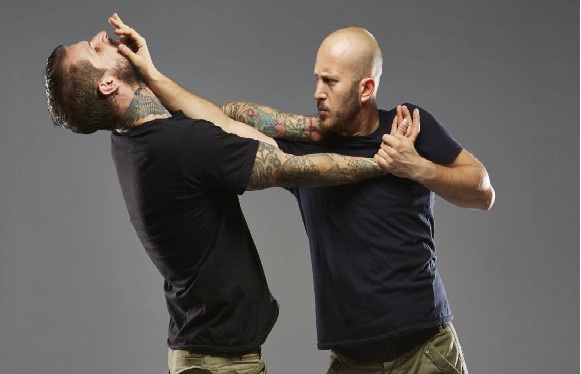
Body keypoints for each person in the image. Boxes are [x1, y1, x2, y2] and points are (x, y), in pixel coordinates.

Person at [116, 16, 495, 373]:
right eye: (317, 79)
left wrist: (416, 167)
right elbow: (218, 119)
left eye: (330, 82)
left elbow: (481, 191)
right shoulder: (303, 152)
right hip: (350, 360)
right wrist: (150, 73)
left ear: (366, 88)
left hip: (424, 351)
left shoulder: (408, 126)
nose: (317, 92)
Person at [44, 15, 416, 374]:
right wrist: (383, 162)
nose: (104, 38)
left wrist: (320, 128)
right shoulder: (175, 146)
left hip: (203, 354)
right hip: (218, 365)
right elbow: (287, 166)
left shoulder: (134, 137)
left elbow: (226, 115)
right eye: (95, 49)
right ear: (107, 85)